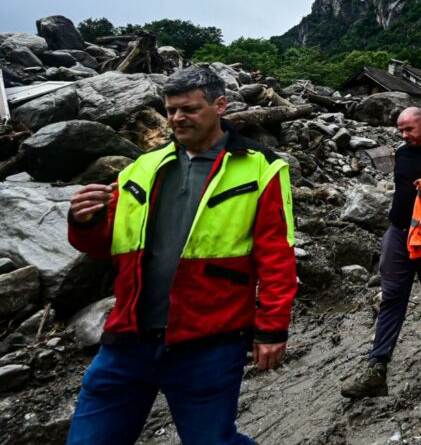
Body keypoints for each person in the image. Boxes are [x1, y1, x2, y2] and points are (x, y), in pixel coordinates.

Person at [65, 66, 297, 444]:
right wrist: (84, 220)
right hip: (128, 340)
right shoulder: (143, 167)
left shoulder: (261, 168)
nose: (176, 118)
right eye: (171, 109)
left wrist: (272, 328)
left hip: (210, 341)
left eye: (188, 109)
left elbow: (276, 253)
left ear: (219, 105)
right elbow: (105, 246)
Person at [341, 106, 421, 398]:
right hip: (397, 231)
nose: (404, 135)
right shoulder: (402, 153)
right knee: (392, 296)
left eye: (409, 129)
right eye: (400, 130)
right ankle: (377, 366)